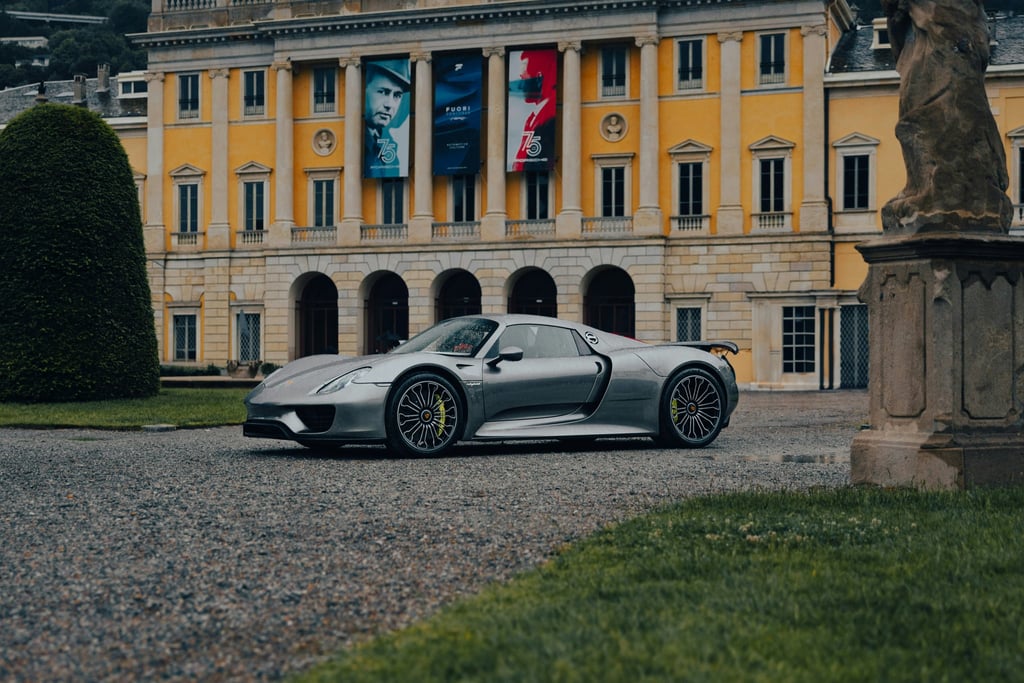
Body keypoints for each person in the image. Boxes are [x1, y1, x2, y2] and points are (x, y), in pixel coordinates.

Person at [880, 0, 1011, 233]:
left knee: (947, 108)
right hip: (926, 33)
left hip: (948, 29)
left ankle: (948, 190)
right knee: (919, 113)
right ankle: (924, 185)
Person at [363, 59, 410, 178]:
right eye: (383, 92)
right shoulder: (358, 140)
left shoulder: (386, 143)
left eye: (397, 95)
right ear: (364, 90)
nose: (389, 105)